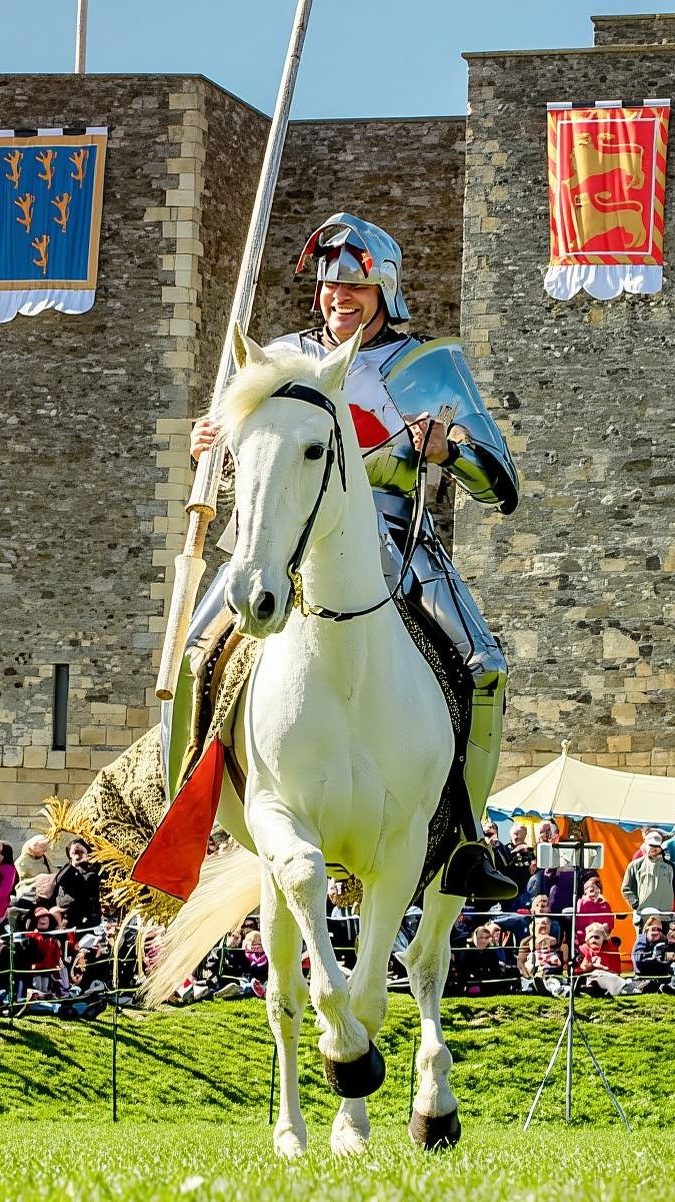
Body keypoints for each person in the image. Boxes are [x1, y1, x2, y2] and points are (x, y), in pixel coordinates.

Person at [188, 212, 519, 900]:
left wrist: (448, 451)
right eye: (330, 287)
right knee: (196, 651)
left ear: (385, 291)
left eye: (356, 288)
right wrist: (213, 441)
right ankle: (181, 813)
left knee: (484, 663)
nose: (340, 298)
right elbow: (249, 459)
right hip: (287, 538)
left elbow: (502, 485)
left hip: (395, 536)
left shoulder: (430, 367)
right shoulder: (279, 362)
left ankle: (463, 836)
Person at [621, 832, 675, 926]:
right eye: (651, 845)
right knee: (642, 940)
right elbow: (626, 889)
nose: (654, 848)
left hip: (665, 916)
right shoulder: (635, 865)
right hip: (643, 915)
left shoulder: (669, 866)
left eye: (657, 846)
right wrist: (635, 904)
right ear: (645, 845)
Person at [54, 839, 102, 933]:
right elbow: (59, 880)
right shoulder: (66, 869)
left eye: (81, 852)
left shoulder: (93, 871)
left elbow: (85, 886)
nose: (78, 855)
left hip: (86, 917)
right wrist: (73, 865)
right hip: (65, 916)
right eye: (75, 852)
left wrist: (84, 862)